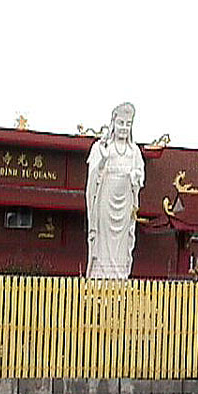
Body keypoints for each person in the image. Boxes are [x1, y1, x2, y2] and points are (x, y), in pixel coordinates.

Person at [86, 102, 145, 279]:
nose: (124, 128)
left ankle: (120, 274)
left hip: (125, 200)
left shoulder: (134, 152)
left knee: (122, 241)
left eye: (128, 124)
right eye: (121, 123)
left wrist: (135, 177)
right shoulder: (102, 147)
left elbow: (140, 176)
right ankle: (100, 274)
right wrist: (103, 161)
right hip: (106, 197)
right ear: (113, 123)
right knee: (104, 237)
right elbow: (93, 177)